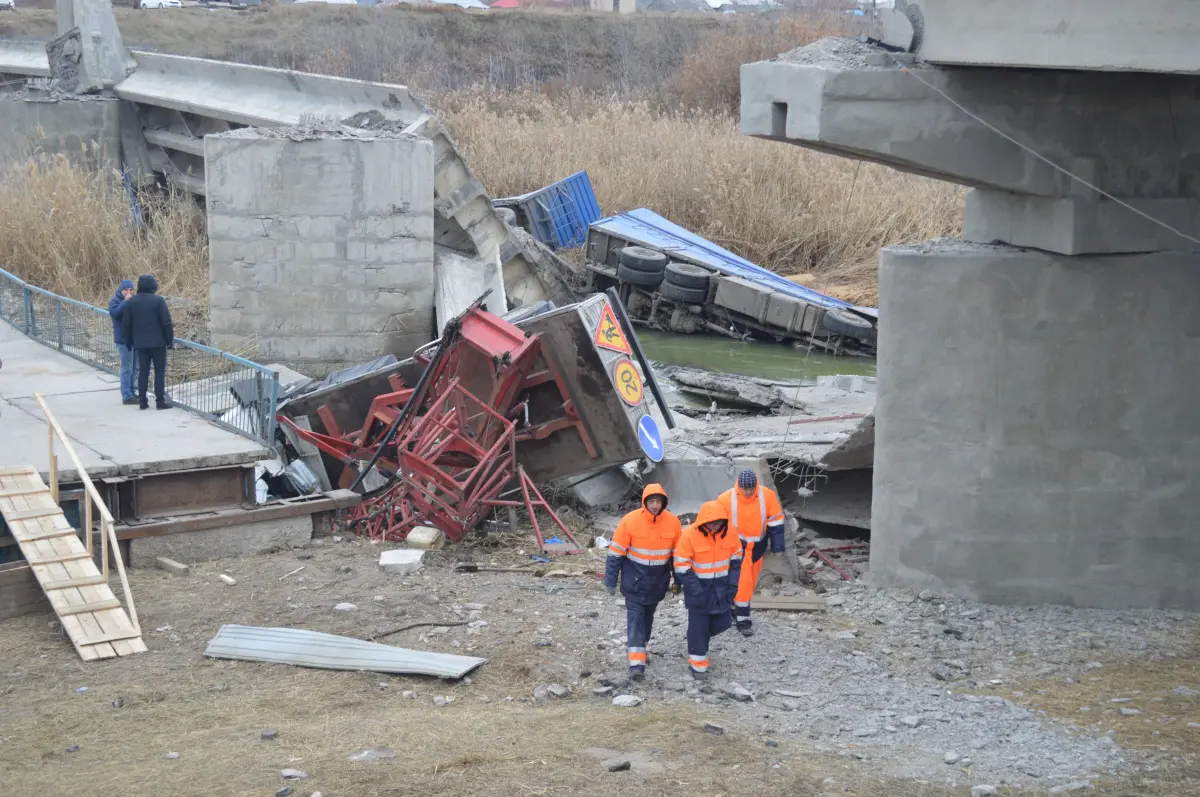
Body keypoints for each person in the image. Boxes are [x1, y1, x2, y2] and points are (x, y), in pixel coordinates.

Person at [604, 483, 683, 681]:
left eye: (658, 501)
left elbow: (678, 556)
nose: (655, 505)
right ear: (644, 502)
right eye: (651, 501)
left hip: (657, 583)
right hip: (634, 582)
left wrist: (678, 581)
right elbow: (615, 554)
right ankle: (636, 664)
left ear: (664, 502)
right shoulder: (630, 521)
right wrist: (610, 580)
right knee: (636, 619)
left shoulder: (673, 523)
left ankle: (641, 648)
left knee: (647, 618)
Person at [673, 500, 742, 680]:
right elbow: (681, 567)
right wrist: (696, 590)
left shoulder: (730, 534)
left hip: (722, 589)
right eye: (711, 522)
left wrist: (733, 585)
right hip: (699, 590)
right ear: (703, 521)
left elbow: (736, 561)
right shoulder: (688, 535)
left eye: (718, 522)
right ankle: (698, 667)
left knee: (724, 622)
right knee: (699, 628)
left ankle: (697, 640)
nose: (714, 525)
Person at [717, 468, 786, 637]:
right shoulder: (726, 499)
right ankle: (743, 620)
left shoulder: (767, 496)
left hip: (757, 547)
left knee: (750, 582)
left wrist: (777, 547)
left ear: (756, 485)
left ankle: (733, 609)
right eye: (745, 489)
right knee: (744, 583)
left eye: (751, 489)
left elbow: (776, 522)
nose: (748, 492)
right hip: (736, 548)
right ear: (739, 486)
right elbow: (717, 526)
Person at [120, 274, 174, 411]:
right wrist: (170, 341)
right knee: (159, 372)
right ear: (153, 286)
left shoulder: (131, 302)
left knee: (143, 372)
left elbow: (126, 324)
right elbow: (166, 322)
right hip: (158, 343)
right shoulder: (158, 301)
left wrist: (128, 342)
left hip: (140, 344)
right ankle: (160, 401)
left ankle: (143, 401)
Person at [107, 279, 136, 405]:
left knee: (135, 368)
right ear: (121, 290)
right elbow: (115, 314)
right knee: (127, 368)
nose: (128, 292)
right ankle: (126, 395)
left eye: (130, 290)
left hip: (134, 339)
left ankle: (132, 392)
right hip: (123, 340)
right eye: (126, 290)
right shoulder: (115, 300)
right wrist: (125, 302)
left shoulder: (133, 301)